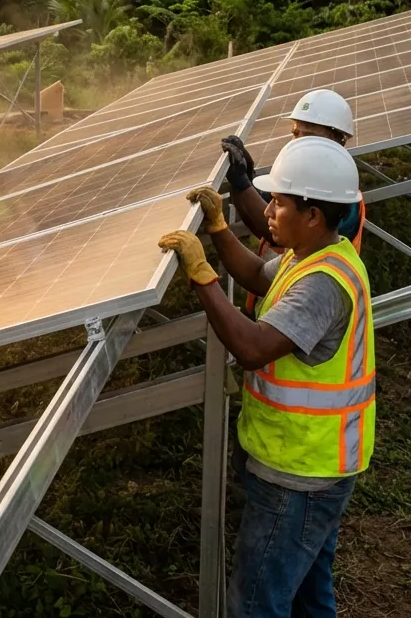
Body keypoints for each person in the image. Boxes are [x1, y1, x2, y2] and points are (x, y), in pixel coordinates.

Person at [159, 136, 374, 618]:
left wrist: (201, 276)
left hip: (298, 475)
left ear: (314, 213)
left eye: (278, 201)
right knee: (308, 596)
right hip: (313, 467)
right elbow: (259, 274)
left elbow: (253, 347)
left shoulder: (323, 283)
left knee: (256, 604)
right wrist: (217, 229)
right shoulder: (313, 253)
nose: (267, 210)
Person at [222, 89, 364, 254]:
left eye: (309, 135)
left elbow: (272, 227)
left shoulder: (337, 194)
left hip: (312, 275)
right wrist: (248, 175)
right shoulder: (304, 176)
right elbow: (266, 208)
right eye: (296, 133)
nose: (299, 142)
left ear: (335, 140)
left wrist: (242, 185)